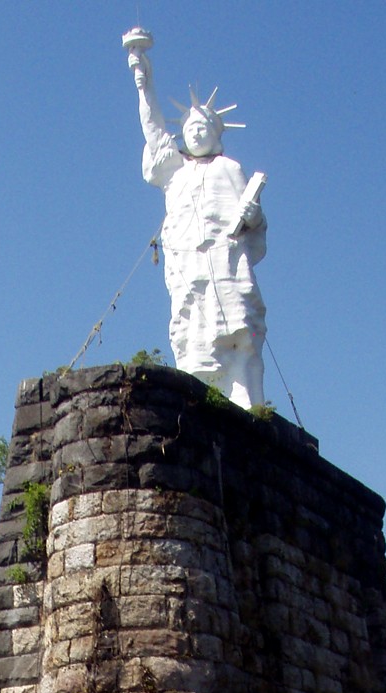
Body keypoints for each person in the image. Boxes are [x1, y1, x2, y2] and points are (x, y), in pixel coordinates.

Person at [125, 30, 267, 409]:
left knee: (238, 326)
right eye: (190, 128)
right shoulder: (175, 171)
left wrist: (252, 216)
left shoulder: (229, 169)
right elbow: (154, 131)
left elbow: (256, 227)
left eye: (204, 127)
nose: (196, 131)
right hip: (187, 259)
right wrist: (144, 83)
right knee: (192, 330)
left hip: (226, 260)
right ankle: (200, 396)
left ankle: (248, 399)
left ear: (217, 134)